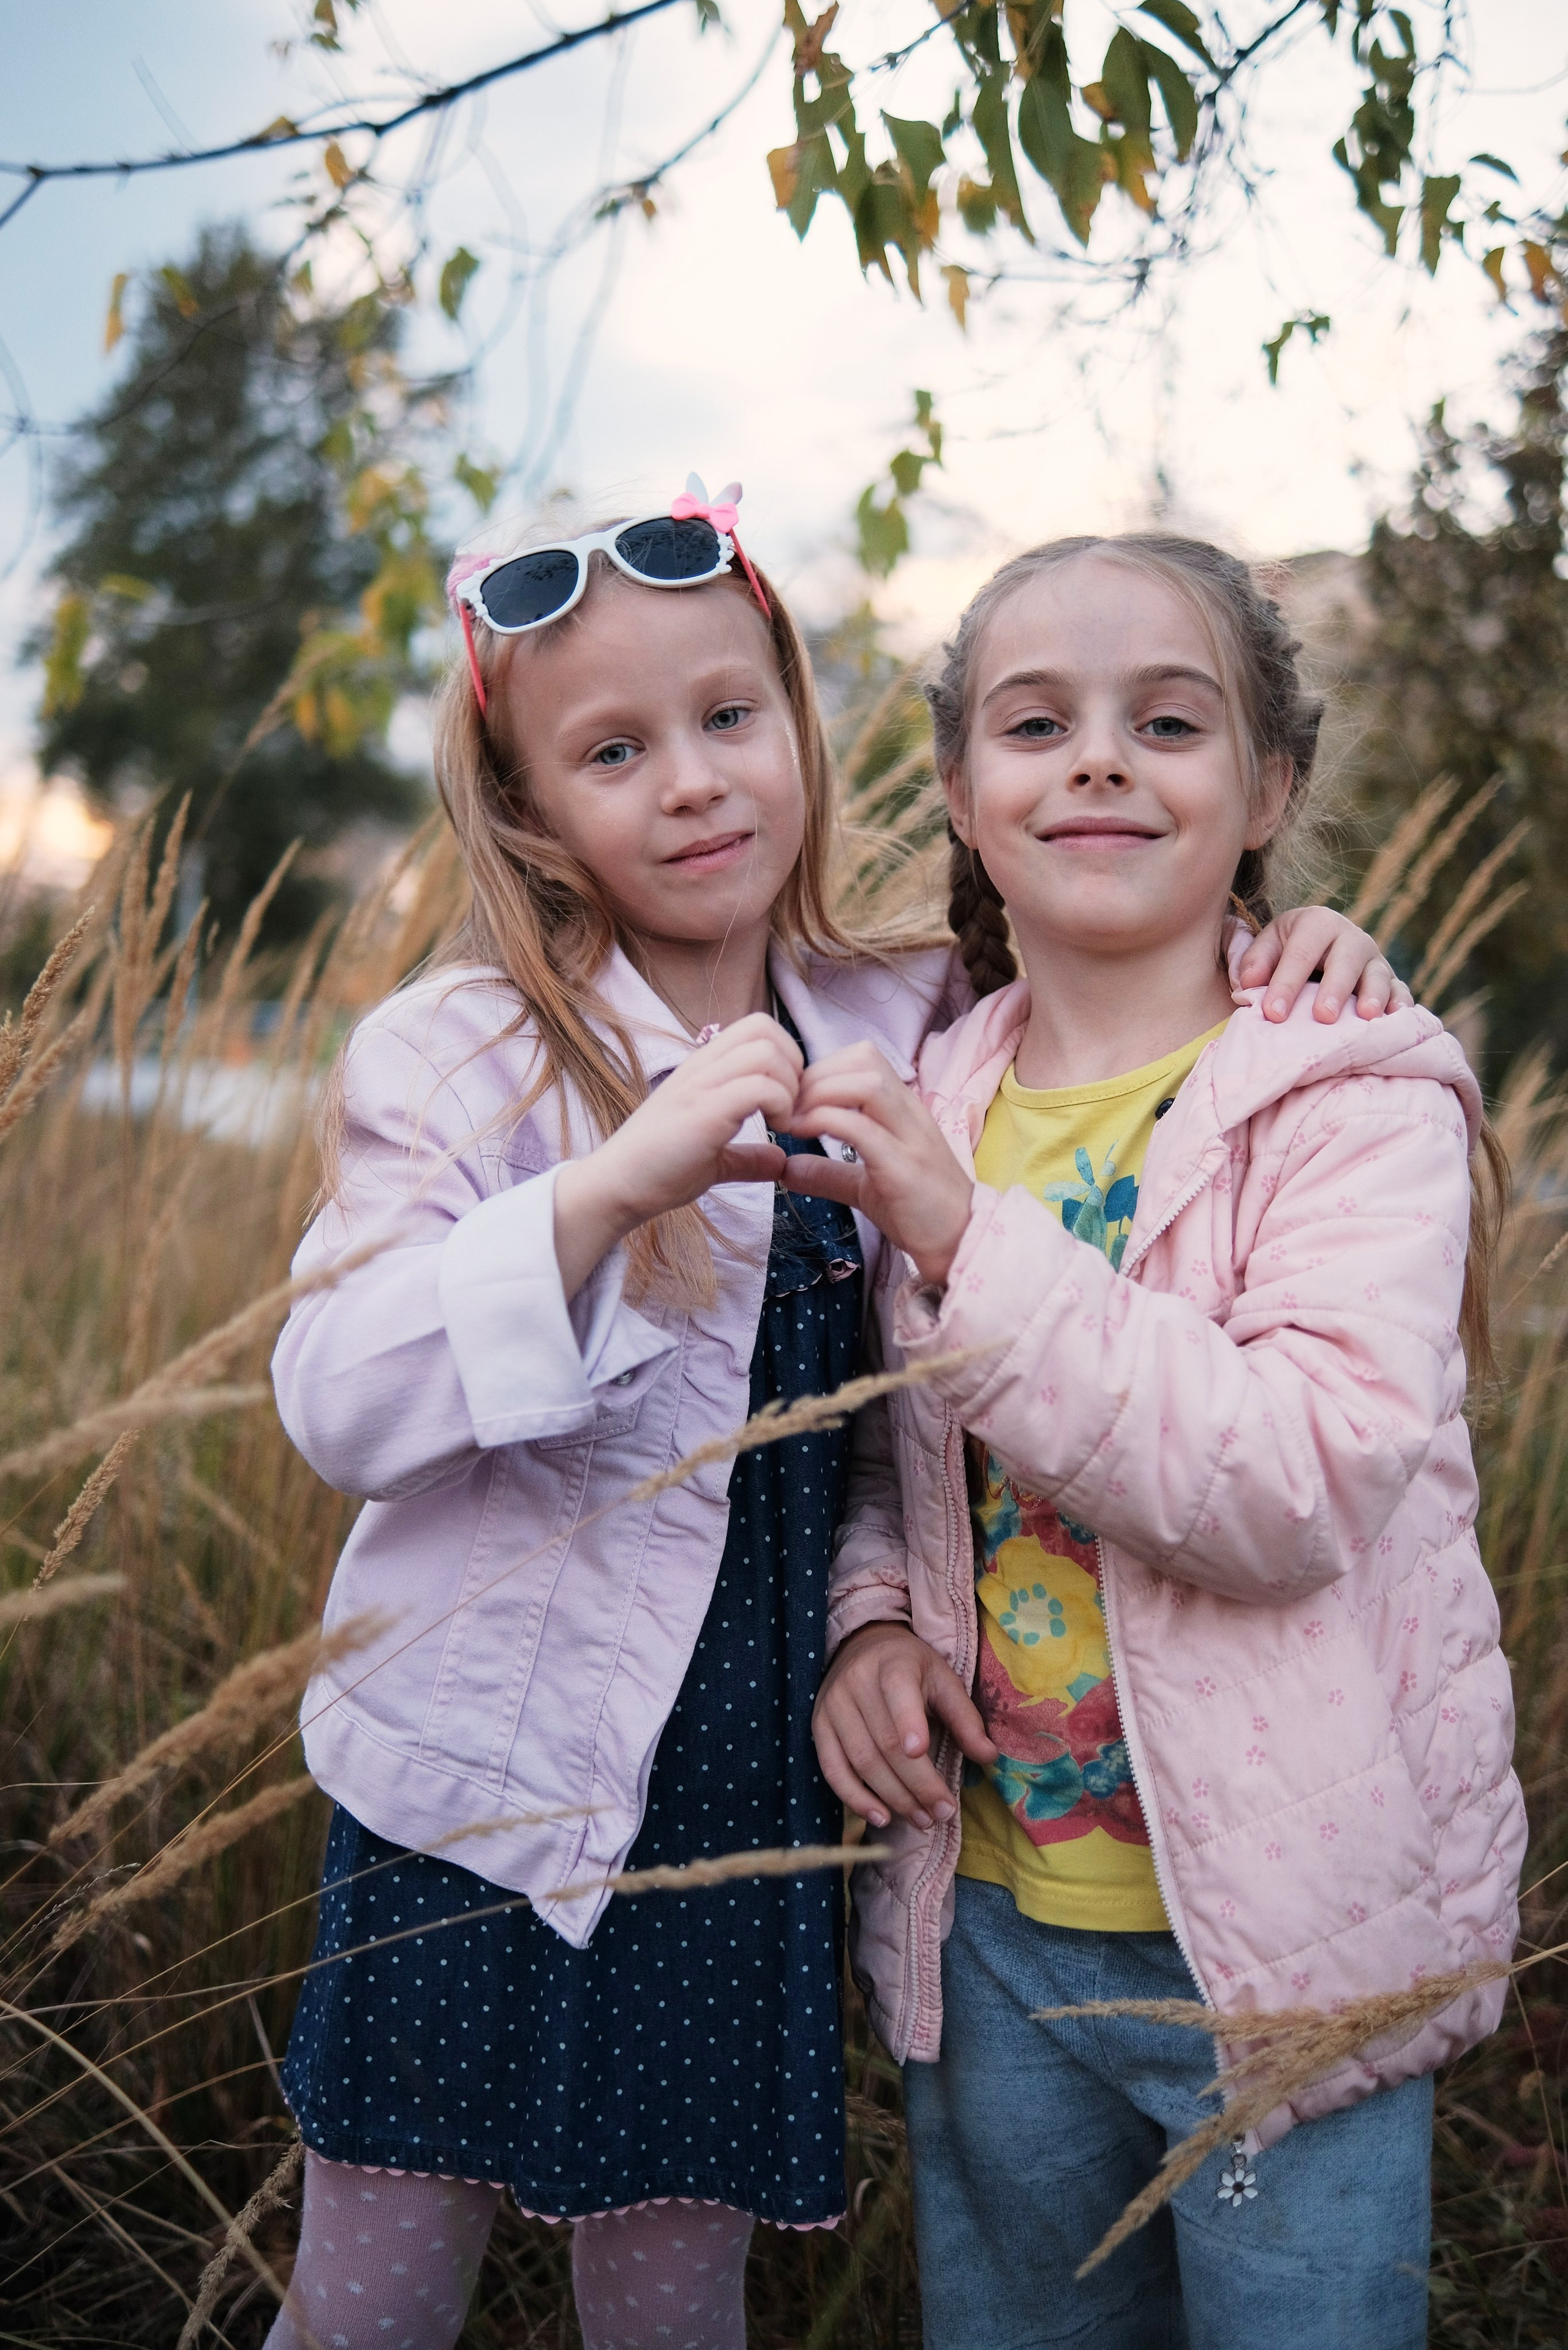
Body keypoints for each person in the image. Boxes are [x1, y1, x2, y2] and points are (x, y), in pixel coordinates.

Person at [265, 489, 1408, 2350]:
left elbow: (1118, 994)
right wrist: (604, 1189)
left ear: (804, 722)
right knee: (369, 2303)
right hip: (486, 1798)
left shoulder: (916, 1015)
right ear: (533, 805)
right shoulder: (461, 1057)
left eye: (733, 718)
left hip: (746, 1815)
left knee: (672, 2306)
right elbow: (338, 1395)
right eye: (615, 751)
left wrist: (1311, 933)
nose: (697, 783)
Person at [786, 533, 1528, 2349]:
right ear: (963, 795)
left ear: (1268, 788)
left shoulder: (1349, 1100)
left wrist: (970, 1238)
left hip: (1281, 1960)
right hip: (998, 1933)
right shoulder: (940, 1092)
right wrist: (871, 1620)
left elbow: (1297, 1478)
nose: (1100, 759)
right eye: (1037, 725)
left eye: (1168, 722)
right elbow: (901, 1455)